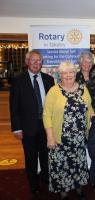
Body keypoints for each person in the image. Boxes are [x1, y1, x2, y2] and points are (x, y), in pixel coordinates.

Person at [43, 61, 94, 199]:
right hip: (60, 139)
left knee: (78, 164)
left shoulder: (83, 89)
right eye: (64, 73)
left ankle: (78, 188)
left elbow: (90, 109)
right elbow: (47, 114)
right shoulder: (54, 91)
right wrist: (50, 137)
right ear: (60, 74)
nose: (68, 75)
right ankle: (63, 191)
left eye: (71, 72)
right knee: (61, 166)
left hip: (79, 139)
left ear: (75, 73)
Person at [9, 50, 54, 195]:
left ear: (42, 63)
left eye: (39, 61)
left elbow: (53, 104)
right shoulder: (18, 80)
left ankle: (46, 181)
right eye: (33, 60)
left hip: (46, 126)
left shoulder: (48, 79)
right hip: (27, 128)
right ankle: (33, 185)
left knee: (46, 156)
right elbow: (14, 106)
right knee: (31, 158)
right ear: (27, 62)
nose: (36, 63)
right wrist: (16, 128)